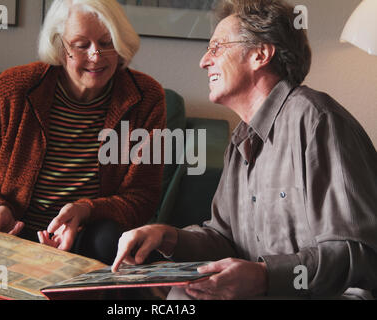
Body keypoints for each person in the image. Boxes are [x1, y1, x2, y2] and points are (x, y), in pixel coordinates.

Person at [112, 0, 377, 299]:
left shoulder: (317, 121)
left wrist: (265, 276)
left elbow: (361, 254)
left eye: (217, 48)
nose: (203, 61)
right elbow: (224, 238)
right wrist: (168, 236)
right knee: (178, 294)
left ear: (260, 54)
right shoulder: (241, 140)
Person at [0, 0, 166, 265]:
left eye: (107, 43)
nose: (96, 55)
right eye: (82, 45)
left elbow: (142, 196)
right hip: (10, 234)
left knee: (110, 239)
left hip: (87, 239)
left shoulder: (146, 98)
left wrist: (86, 210)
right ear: (60, 46)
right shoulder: (13, 90)